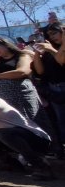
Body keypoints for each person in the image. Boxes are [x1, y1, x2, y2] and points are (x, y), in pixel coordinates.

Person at [0, 36, 41, 121]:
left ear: (6, 44)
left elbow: (23, 71)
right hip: (5, 101)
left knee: (31, 121)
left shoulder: (22, 55)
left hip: (22, 97)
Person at [32, 22, 65, 158]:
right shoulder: (48, 50)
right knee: (61, 121)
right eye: (49, 34)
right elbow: (40, 71)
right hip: (54, 88)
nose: (52, 37)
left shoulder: (57, 48)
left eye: (55, 33)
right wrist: (36, 54)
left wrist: (51, 49)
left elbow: (62, 60)